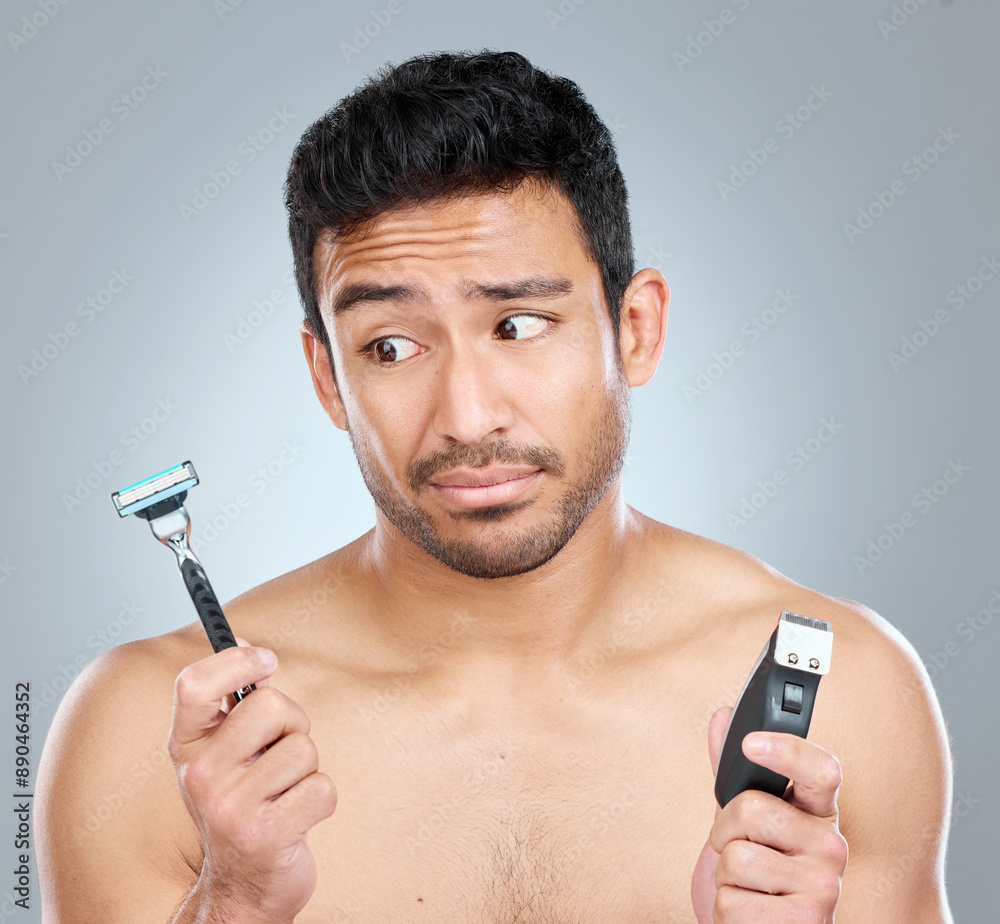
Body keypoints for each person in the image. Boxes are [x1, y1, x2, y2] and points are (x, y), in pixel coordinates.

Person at [36, 49, 954, 923]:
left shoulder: (848, 699)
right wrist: (229, 906)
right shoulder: (151, 736)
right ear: (327, 379)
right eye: (390, 347)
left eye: (518, 324)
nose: (468, 418)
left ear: (634, 329)